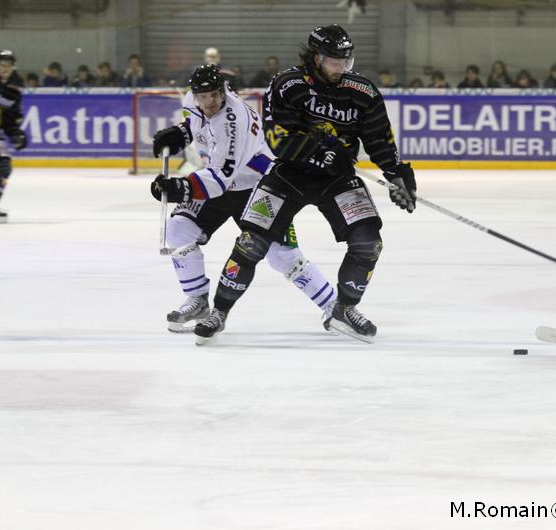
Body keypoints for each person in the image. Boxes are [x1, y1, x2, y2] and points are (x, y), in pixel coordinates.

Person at [192, 24, 416, 344]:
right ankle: (219, 311)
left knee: (369, 243)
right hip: (289, 175)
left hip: (337, 178)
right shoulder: (287, 84)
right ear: (316, 57)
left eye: (346, 61)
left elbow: (379, 137)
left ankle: (344, 309)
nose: (341, 68)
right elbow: (277, 138)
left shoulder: (362, 91)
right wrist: (320, 154)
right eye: (334, 61)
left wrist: (397, 173)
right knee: (251, 242)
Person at [150, 64, 336, 341]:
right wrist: (182, 133)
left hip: (258, 187)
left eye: (214, 95)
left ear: (224, 91)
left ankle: (334, 306)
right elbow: (196, 124)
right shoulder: (194, 100)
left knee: (282, 255)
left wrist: (181, 188)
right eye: (203, 96)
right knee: (178, 228)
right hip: (221, 184)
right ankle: (198, 299)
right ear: (195, 94)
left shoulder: (233, 121)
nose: (209, 102)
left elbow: (219, 179)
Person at [0, 50, 27, 222]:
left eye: (8, 65)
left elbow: (10, 121)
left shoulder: (14, 92)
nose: (5, 68)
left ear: (13, 67)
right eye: (2, 64)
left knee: (4, 166)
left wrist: (17, 134)